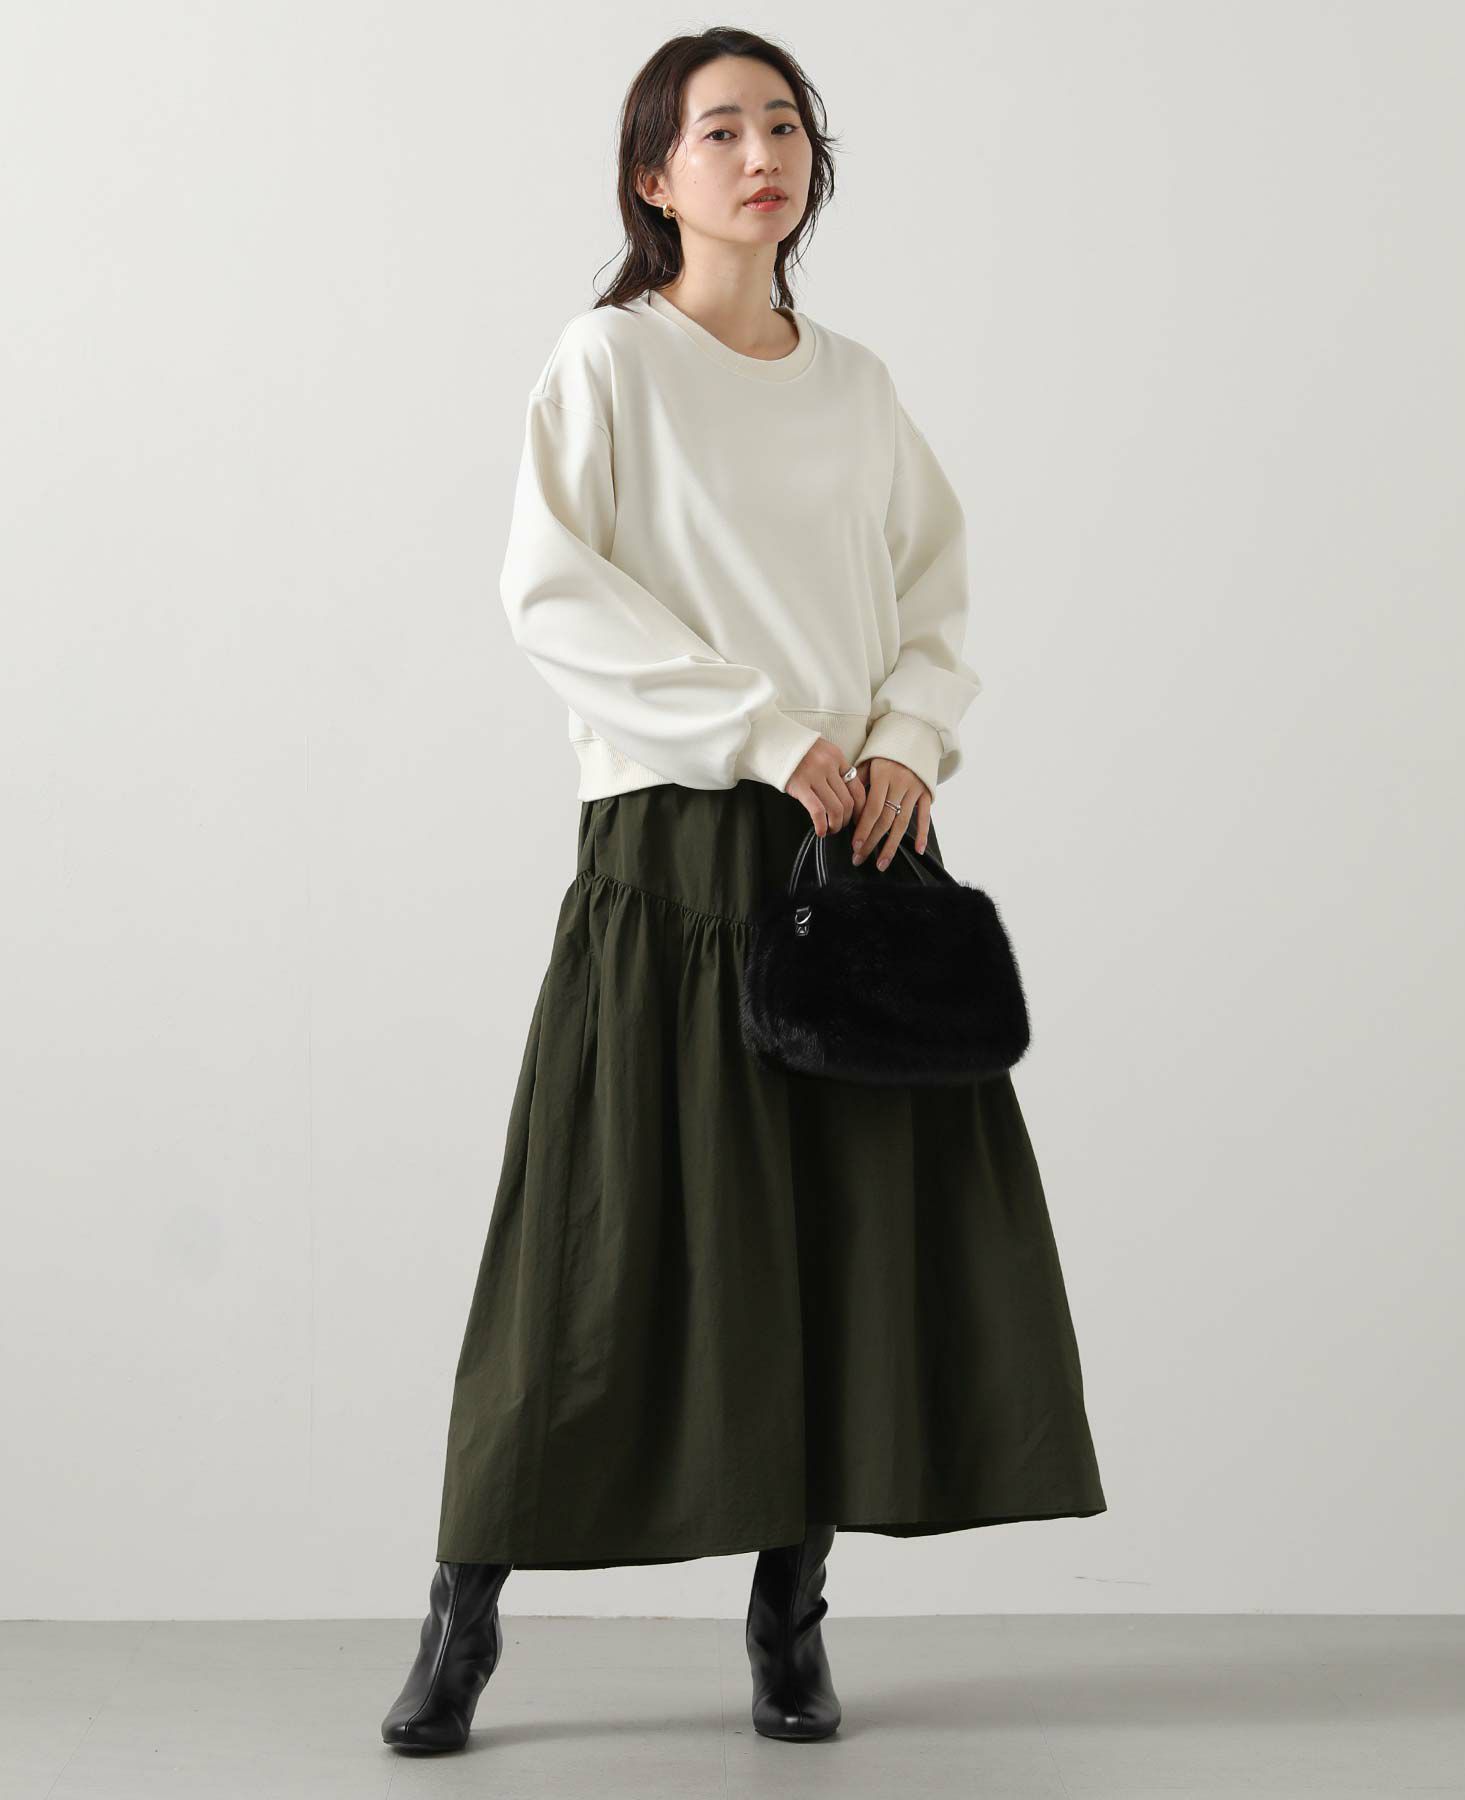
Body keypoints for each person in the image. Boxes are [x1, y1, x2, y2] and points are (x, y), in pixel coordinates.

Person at [381, 25, 1106, 1754]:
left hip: (854, 853)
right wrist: (769, 733)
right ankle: (464, 1613)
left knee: (836, 1239)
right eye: (718, 130)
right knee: (593, 1244)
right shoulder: (610, 362)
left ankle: (792, 1618)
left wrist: (908, 743)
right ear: (655, 176)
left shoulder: (854, 385)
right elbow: (554, 591)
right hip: (676, 852)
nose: (760, 153)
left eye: (783, 124)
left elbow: (933, 594)